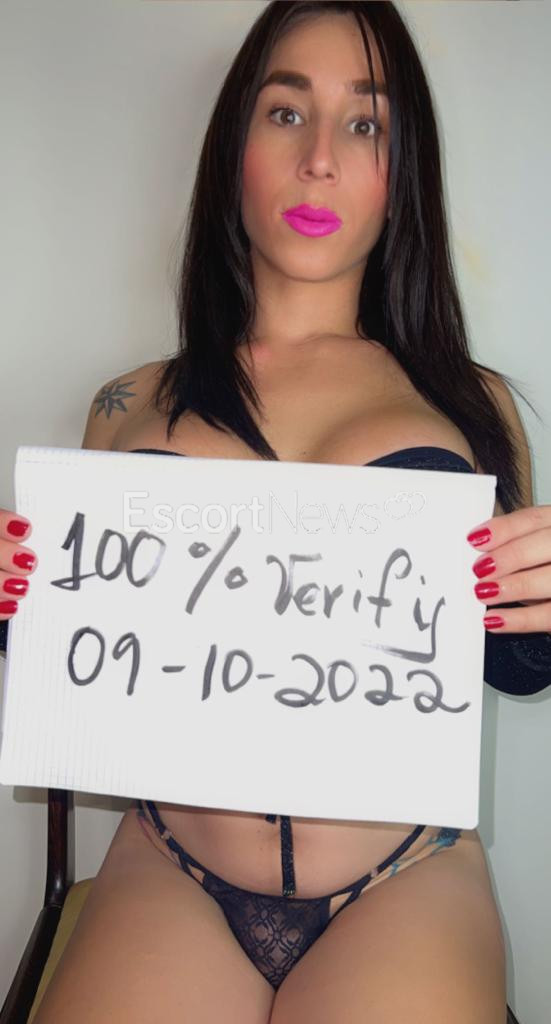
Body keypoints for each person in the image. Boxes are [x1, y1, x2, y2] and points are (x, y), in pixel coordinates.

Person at [1, 2, 550, 1020]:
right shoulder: (126, 401)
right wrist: (12, 602)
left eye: (366, 123)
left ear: (403, 173)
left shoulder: (471, 404)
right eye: (286, 112)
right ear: (233, 148)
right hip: (171, 867)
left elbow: (517, 665)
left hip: (402, 875)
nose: (320, 160)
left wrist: (540, 599)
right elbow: (79, 660)